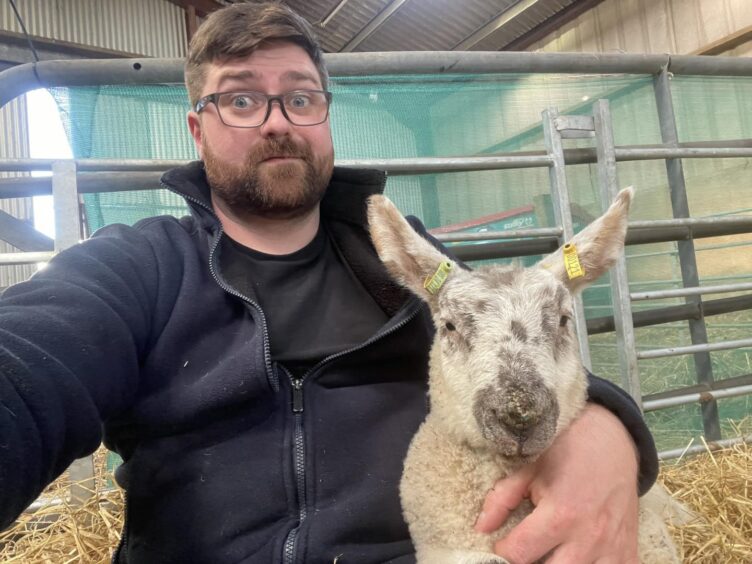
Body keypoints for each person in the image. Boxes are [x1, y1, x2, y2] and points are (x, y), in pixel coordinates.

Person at [0, 2, 657, 563]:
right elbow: (31, 361)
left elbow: (520, 335)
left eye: (301, 96)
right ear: (198, 130)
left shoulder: (408, 263)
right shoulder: (140, 267)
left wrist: (609, 428)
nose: (277, 120)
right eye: (241, 98)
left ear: (325, 119)